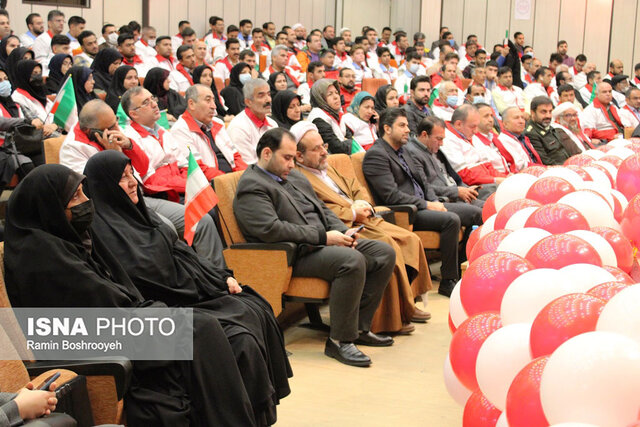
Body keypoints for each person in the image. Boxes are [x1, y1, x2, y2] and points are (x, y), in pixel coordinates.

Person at [4, 164, 274, 426]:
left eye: (85, 192)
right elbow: (97, 306)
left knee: (222, 328)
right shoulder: (39, 255)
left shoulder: (70, 237)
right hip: (87, 337)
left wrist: (149, 310)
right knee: (200, 328)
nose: (87, 201)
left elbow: (119, 290)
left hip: (116, 323)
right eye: (76, 197)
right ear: (49, 206)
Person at [83, 151, 292, 424]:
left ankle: (258, 415)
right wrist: (204, 285)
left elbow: (183, 255)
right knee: (241, 340)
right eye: (122, 179)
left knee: (253, 305)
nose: (132, 182)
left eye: (131, 174)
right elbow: (148, 277)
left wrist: (218, 278)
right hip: (165, 305)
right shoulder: (101, 230)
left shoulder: (144, 214)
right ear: (104, 186)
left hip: (186, 292)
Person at [234, 127, 395, 366]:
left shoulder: (294, 176)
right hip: (293, 254)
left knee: (383, 252)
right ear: (267, 153)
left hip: (321, 242)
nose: (291, 163)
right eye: (287, 157)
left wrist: (343, 231)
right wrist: (324, 237)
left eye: (293, 157)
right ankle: (339, 341)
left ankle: (359, 328)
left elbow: (322, 209)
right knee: (350, 261)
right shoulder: (252, 186)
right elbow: (271, 229)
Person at [292, 122, 432, 334]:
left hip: (365, 217)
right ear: (299, 157)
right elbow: (321, 212)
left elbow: (356, 187)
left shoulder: (327, 169)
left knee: (411, 239)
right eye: (316, 149)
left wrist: (363, 203)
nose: (323, 152)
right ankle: (387, 320)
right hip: (349, 224)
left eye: (324, 146)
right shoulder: (300, 178)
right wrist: (353, 212)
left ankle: (407, 305)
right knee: (388, 246)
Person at [362, 108, 465, 297]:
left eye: (407, 125)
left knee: (474, 212)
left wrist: (433, 200)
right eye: (402, 126)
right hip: (406, 211)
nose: (408, 130)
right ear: (387, 128)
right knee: (452, 219)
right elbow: (391, 196)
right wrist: (427, 205)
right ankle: (448, 280)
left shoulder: (403, 150)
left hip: (425, 202)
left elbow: (423, 181)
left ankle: (462, 271)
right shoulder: (376, 155)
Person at [407, 116, 491, 208]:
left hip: (457, 191)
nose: (442, 143)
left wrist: (466, 188)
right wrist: (456, 191)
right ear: (424, 135)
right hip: (445, 198)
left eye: (442, 139)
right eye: (439, 139)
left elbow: (452, 177)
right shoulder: (413, 152)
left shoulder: (434, 149)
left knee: (492, 194)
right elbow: (424, 186)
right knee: (483, 210)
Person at [172, 84, 246, 174]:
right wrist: (229, 180)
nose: (214, 106)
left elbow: (235, 156)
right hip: (211, 183)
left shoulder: (218, 123)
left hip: (233, 179)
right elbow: (197, 168)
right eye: (208, 100)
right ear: (191, 104)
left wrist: (243, 176)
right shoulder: (180, 130)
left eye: (213, 100)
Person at [227, 78, 278, 164]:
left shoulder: (272, 124)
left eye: (269, 94)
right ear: (248, 102)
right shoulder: (238, 128)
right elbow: (249, 165)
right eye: (261, 96)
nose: (268, 100)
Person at [11, 60, 59, 137]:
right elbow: (34, 122)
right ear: (24, 75)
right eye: (34, 73)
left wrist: (55, 125)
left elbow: (56, 113)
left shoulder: (42, 95)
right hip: (37, 138)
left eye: (39, 73)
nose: (38, 76)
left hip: (54, 132)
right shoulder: (18, 97)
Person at [307, 79, 354, 154]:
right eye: (330, 94)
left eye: (336, 92)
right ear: (320, 98)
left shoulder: (336, 113)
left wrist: (347, 142)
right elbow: (337, 148)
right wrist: (347, 142)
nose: (336, 97)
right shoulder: (318, 118)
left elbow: (351, 138)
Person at [525, 96, 570, 165]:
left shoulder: (548, 127)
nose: (548, 116)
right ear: (533, 113)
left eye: (550, 111)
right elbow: (545, 161)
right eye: (543, 112)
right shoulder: (531, 133)